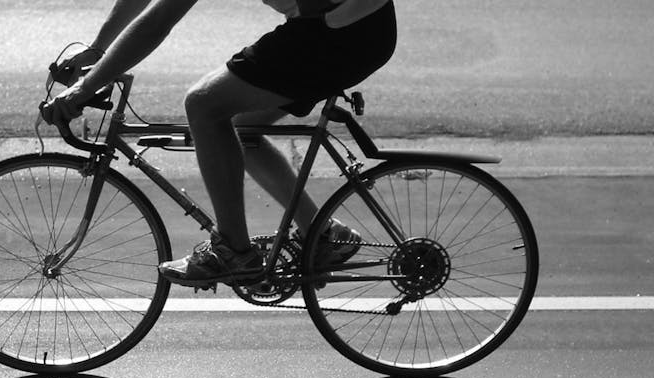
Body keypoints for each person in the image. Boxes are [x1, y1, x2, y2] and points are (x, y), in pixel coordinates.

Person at [39, 0, 397, 286]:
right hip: (354, 26)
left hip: (338, 31)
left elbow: (158, 21)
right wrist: (100, 50)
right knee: (242, 131)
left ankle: (232, 250)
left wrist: (84, 89)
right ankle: (322, 235)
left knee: (205, 105)